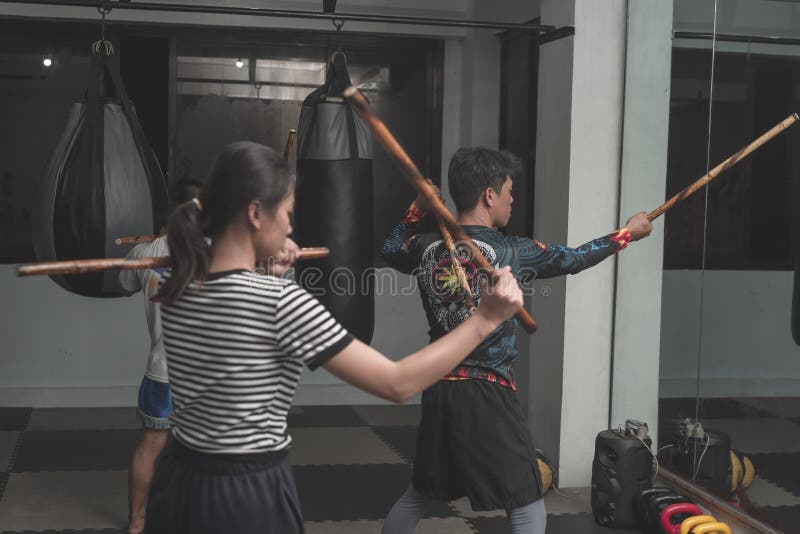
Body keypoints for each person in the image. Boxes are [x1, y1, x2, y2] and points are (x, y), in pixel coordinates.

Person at [142, 141, 524, 534]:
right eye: (288, 215)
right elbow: (396, 383)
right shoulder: (279, 302)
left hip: (178, 478)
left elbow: (236, 331)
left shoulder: (178, 284)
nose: (291, 228)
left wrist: (262, 270)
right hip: (243, 491)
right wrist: (485, 320)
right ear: (255, 213)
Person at [380, 147, 653, 534]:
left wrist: (417, 209)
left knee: (419, 495)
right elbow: (573, 259)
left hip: (439, 386)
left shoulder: (426, 248)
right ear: (489, 195)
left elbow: (390, 247)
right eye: (508, 190)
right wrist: (628, 234)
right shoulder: (515, 251)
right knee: (526, 501)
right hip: (487, 392)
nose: (512, 199)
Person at [120, 177, 201, 534]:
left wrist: (155, 242)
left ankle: (137, 521)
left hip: (163, 372)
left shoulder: (143, 253)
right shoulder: (223, 250)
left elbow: (123, 285)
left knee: (150, 447)